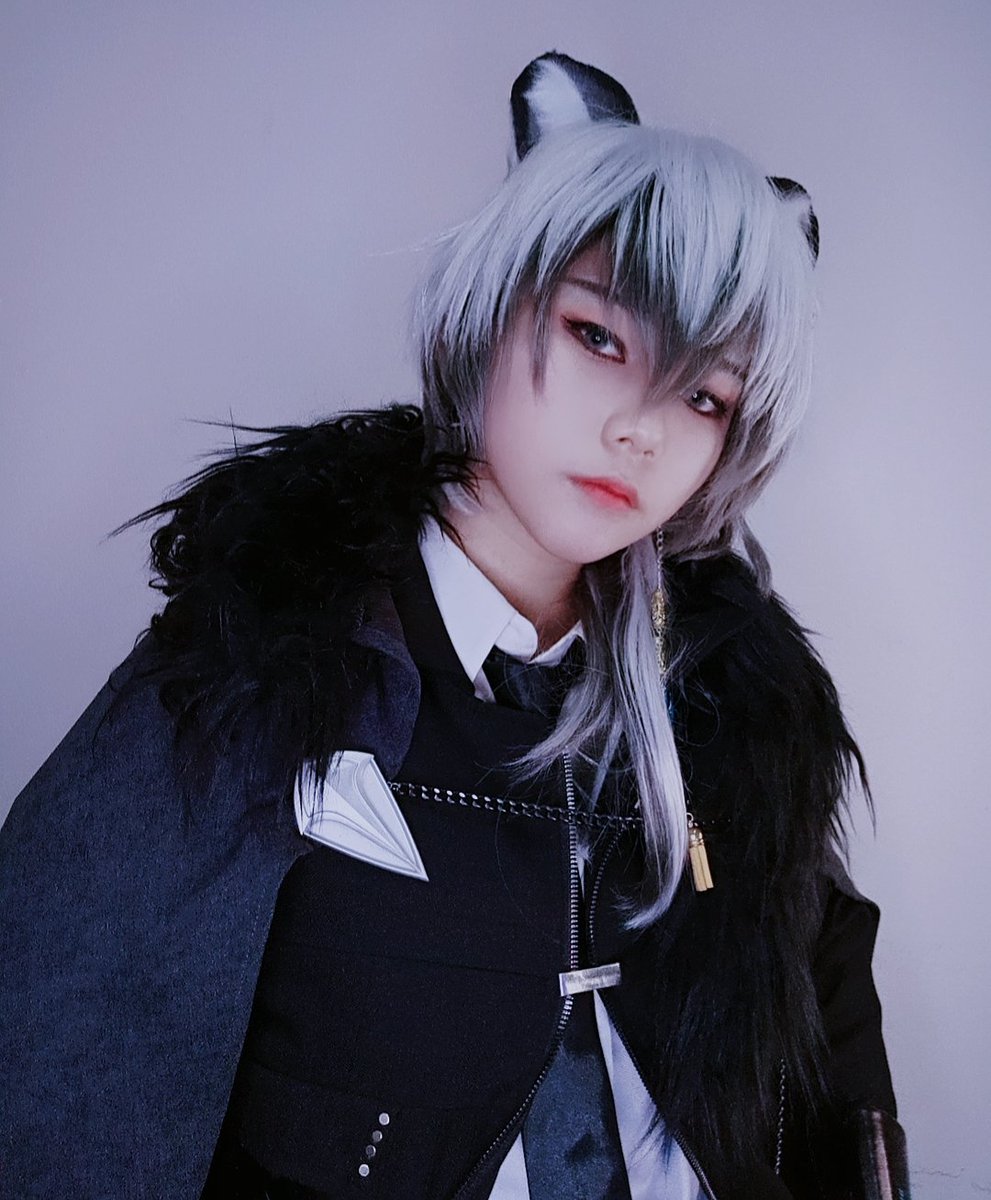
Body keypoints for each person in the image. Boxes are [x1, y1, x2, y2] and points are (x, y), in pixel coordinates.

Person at [0, 52, 908, 1200]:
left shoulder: (738, 711)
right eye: (598, 336)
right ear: (493, 308)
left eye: (702, 395)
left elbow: (827, 1021)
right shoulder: (259, 671)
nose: (640, 426)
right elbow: (61, 1046)